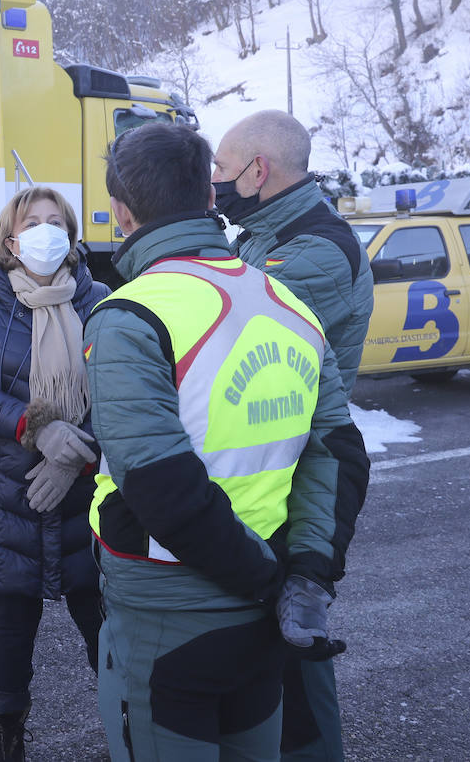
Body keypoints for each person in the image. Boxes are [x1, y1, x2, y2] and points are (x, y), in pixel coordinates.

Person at [84, 122, 344, 761]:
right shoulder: (283, 298)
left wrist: (268, 580)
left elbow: (158, 483)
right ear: (208, 196)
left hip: (168, 610)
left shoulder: (130, 314)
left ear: (122, 212)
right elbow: (335, 453)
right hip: (264, 610)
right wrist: (302, 576)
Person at [214, 110, 374, 761]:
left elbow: (225, 319)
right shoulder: (263, 234)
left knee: (295, 667)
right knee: (261, 650)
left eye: (221, 170)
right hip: (264, 459)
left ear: (259, 170)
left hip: (297, 470)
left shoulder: (316, 250)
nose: (215, 183)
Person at [0, 186, 107, 760]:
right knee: (12, 617)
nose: (44, 231)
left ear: (71, 233)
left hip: (86, 486)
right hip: (7, 485)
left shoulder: (102, 299)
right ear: (9, 239)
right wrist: (39, 429)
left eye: (54, 221)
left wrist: (76, 453)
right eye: (30, 222)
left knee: (101, 615)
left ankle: (126, 721)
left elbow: (121, 392)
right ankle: (7, 732)